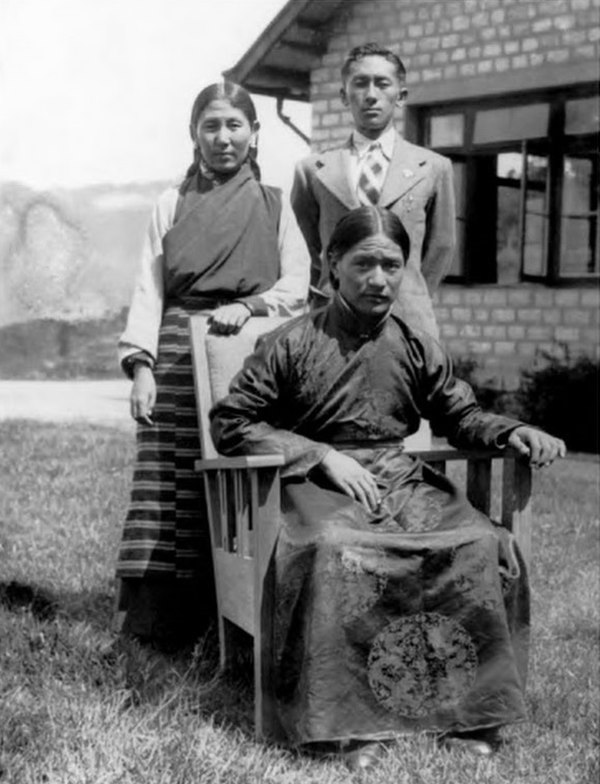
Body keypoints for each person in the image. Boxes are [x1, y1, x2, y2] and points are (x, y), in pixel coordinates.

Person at [210, 206, 565, 769]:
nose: (379, 279)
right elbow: (232, 423)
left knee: (477, 541)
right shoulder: (289, 342)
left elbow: (461, 415)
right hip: (316, 485)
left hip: (402, 480)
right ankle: (349, 728)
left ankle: (470, 716)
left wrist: (514, 429)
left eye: (392, 266)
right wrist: (319, 454)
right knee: (337, 551)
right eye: (364, 264)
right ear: (332, 265)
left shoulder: (415, 344)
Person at [115, 81, 310, 652]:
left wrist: (249, 306)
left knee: (240, 478)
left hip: (248, 351)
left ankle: (243, 622)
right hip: (177, 349)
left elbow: (296, 285)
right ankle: (158, 626)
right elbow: (148, 290)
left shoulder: (276, 203)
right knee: (167, 482)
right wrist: (142, 367)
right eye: (211, 126)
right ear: (193, 134)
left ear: (254, 134)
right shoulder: (169, 203)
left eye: (234, 126)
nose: (223, 138)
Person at [291, 42, 455, 338]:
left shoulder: (432, 168)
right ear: (344, 95)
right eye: (360, 84)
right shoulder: (313, 170)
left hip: (407, 322)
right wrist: (332, 288)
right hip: (333, 321)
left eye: (382, 84)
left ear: (400, 96)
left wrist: (408, 291)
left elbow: (441, 246)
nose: (370, 95)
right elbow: (306, 250)